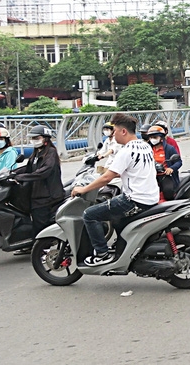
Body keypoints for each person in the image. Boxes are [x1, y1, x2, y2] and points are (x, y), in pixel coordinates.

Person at [73, 113, 159, 266]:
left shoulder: (126, 151)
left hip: (134, 200)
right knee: (117, 220)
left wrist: (84, 189)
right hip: (151, 197)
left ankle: (102, 254)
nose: (112, 136)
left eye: (114, 132)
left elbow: (107, 178)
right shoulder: (145, 146)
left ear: (123, 131)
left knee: (89, 215)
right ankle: (123, 249)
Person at [12, 125, 64, 245]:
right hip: (36, 194)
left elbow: (43, 172)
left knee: (40, 223)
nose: (34, 140)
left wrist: (21, 178)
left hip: (47, 196)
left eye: (37, 137)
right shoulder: (36, 153)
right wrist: (11, 174)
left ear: (45, 139)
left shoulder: (50, 153)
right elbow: (28, 168)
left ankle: (42, 246)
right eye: (32, 138)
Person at [147, 125, 182, 201]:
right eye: (151, 137)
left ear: (161, 138)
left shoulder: (170, 149)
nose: (152, 139)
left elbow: (179, 162)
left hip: (165, 175)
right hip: (151, 176)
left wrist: (171, 168)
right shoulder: (147, 150)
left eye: (155, 137)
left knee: (168, 191)